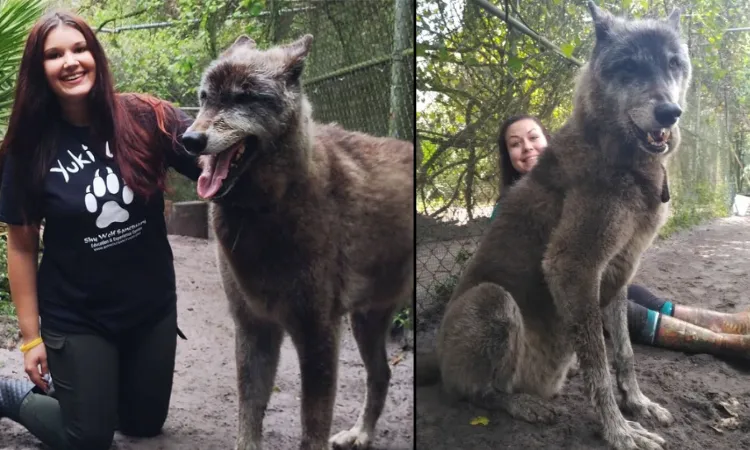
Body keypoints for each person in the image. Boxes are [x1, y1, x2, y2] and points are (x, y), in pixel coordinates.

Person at [0, 10, 200, 449]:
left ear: (96, 55)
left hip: (150, 309)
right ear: (39, 70)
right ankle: (8, 396)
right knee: (88, 436)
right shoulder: (27, 148)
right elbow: (20, 246)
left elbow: (212, 164)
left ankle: (92, 390)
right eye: (54, 55)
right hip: (78, 316)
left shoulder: (149, 117)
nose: (70, 61)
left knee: (143, 424)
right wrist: (31, 338)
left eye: (79, 48)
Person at [491, 114, 750, 359]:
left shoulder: (573, 187)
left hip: (580, 279)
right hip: (546, 299)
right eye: (515, 144)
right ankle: (725, 344)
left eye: (533, 137)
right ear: (509, 156)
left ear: (548, 141)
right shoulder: (507, 208)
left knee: (632, 292)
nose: (526, 147)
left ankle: (728, 324)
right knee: (612, 306)